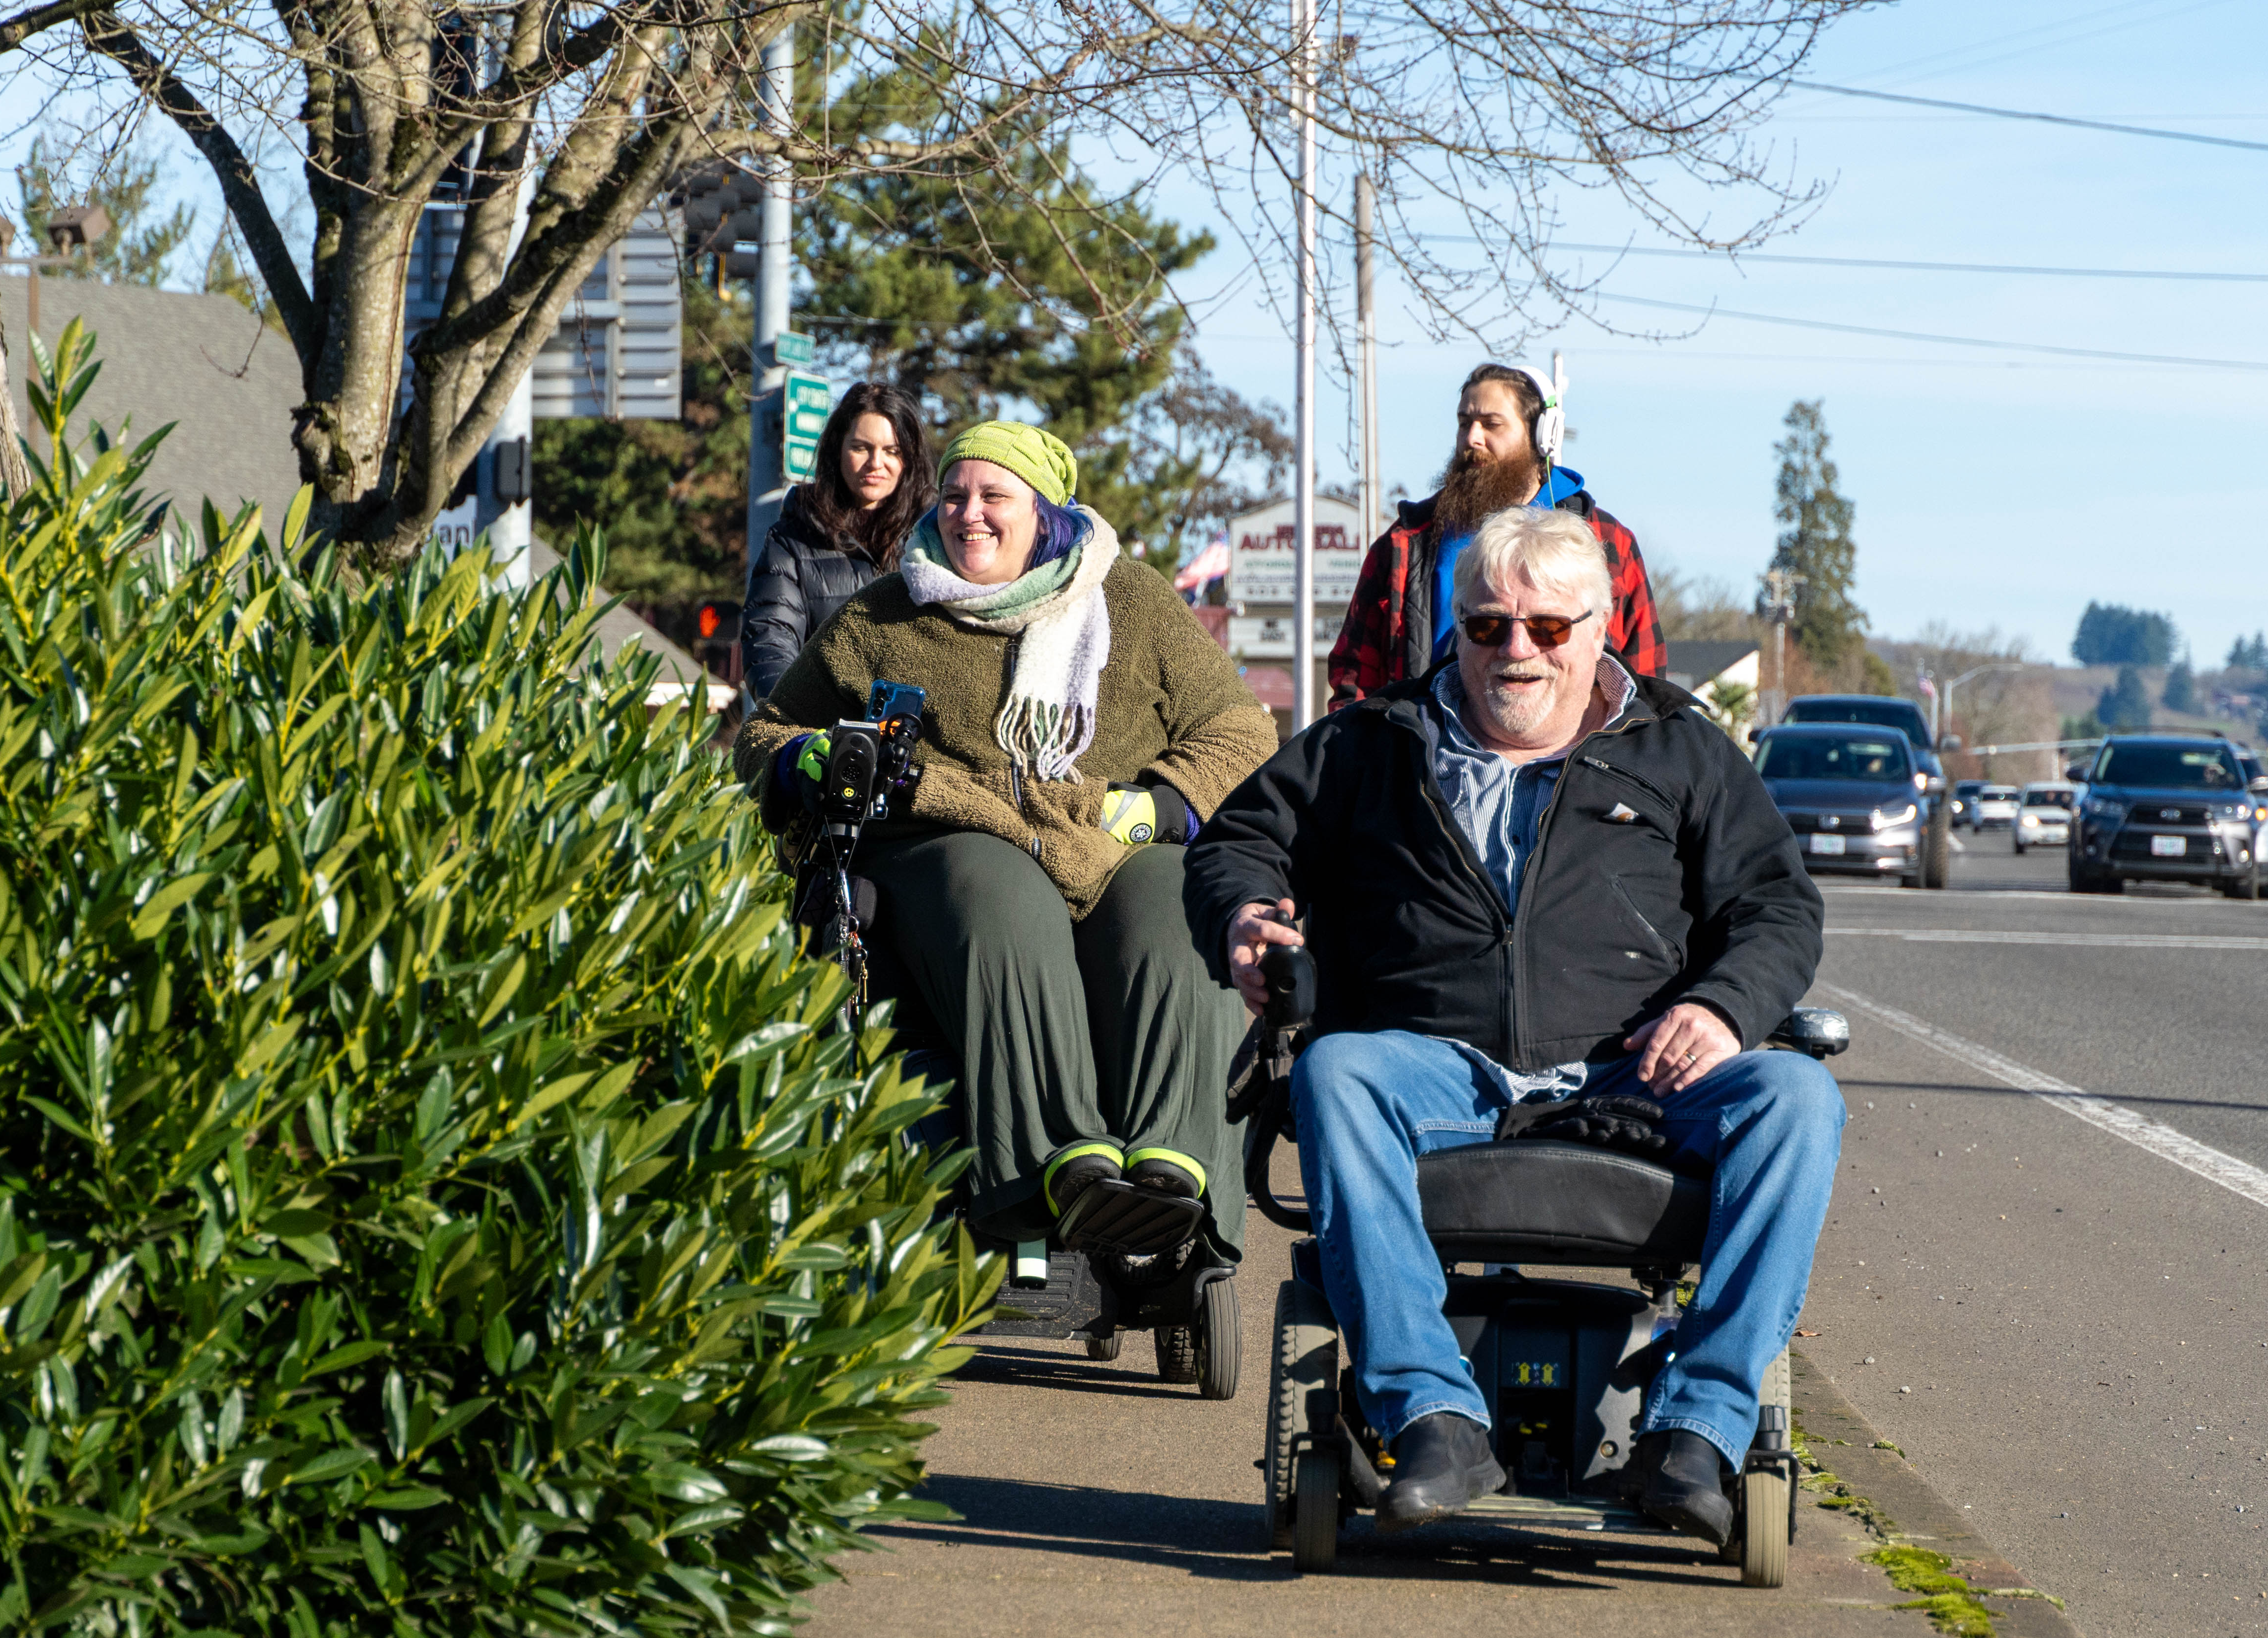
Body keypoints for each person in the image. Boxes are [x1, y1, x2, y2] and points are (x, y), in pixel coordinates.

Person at [1186, 503, 1834, 1542]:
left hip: (1636, 1075)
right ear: (1460, 628)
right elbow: (1235, 843)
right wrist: (1247, 918)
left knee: (1797, 1096)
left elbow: (1777, 906)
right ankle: (1432, 1418)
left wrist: (1722, 1007)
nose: (1516, 650)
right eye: (1487, 626)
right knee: (1336, 1072)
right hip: (1435, 1066)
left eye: (1547, 627)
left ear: (1599, 629)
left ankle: (1698, 1429)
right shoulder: (1372, 742)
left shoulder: (1679, 749)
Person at [738, 420, 1275, 1265]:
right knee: (1001, 892)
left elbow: (1241, 729)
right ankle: (1057, 1166)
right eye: (955, 495)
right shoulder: (886, 613)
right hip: (944, 836)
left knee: (1178, 901)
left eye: (995, 496)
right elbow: (764, 733)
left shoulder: (1131, 600)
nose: (969, 514)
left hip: (1106, 842)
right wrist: (806, 755)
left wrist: (1160, 810)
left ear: (1045, 512)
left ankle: (1175, 1167)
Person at [1327, 363, 1662, 707]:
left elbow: (1643, 679)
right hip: (1423, 740)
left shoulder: (1607, 541)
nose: (1472, 438)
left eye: (1491, 424)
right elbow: (1355, 676)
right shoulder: (1410, 541)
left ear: (1542, 436)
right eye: (1464, 423)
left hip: (1573, 742)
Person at [742, 383, 938, 701]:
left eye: (892, 451)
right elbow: (770, 641)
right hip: (823, 725)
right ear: (837, 448)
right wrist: (797, 719)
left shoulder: (937, 536)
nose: (876, 463)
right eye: (861, 448)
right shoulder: (793, 537)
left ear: (910, 457)